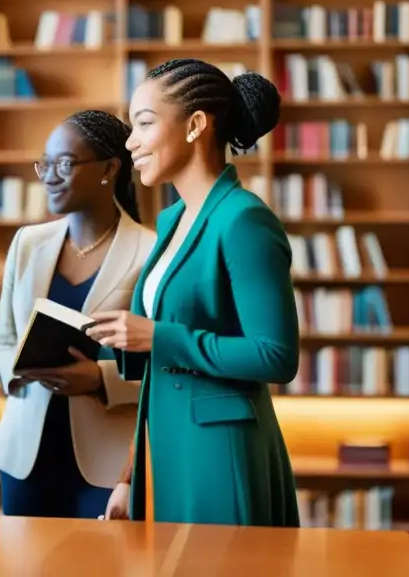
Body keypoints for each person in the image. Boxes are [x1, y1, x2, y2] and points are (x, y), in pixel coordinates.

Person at [87, 58, 300, 526]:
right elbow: (164, 350)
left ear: (195, 126)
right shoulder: (171, 220)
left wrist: (157, 335)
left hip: (221, 450)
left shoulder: (244, 220)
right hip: (167, 444)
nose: (129, 141)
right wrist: (128, 475)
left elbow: (276, 357)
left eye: (144, 123)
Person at [0, 110, 157, 520]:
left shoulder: (151, 251)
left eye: (64, 163)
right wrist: (21, 368)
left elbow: (163, 362)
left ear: (110, 169)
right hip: (26, 455)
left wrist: (100, 379)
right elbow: (5, 338)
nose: (49, 175)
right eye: (44, 164)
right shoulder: (28, 242)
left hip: (106, 461)